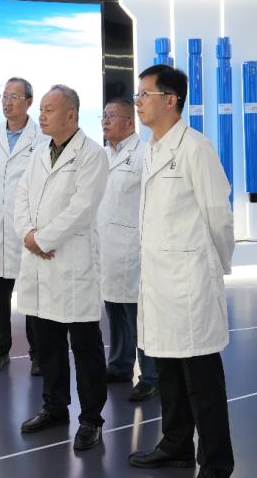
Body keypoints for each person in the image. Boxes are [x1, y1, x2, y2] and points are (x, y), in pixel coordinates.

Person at [129, 64, 235, 478]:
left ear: (170, 100)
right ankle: (175, 445)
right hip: (160, 281)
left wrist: (211, 266)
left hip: (190, 281)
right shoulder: (152, 148)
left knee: (201, 379)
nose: (138, 102)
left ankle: (216, 461)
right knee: (169, 370)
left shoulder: (195, 148)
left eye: (145, 95)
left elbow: (218, 216)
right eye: (138, 95)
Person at [14, 85, 108, 452]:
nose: (41, 115)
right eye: (41, 109)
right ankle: (54, 407)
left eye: (49, 109)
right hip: (40, 262)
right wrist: (28, 235)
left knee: (85, 347)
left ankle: (91, 419)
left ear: (71, 115)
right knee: (48, 343)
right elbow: (21, 197)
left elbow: (82, 208)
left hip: (71, 262)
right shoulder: (40, 153)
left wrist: (43, 239)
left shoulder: (92, 155)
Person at [97, 97, 159, 402]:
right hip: (108, 248)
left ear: (130, 122)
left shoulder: (145, 153)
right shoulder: (103, 156)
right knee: (115, 310)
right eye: (104, 116)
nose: (106, 121)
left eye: (112, 116)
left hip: (134, 247)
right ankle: (120, 365)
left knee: (139, 316)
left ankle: (151, 376)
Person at [0, 77, 41, 374]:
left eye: (14, 97)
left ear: (29, 102)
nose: (8, 102)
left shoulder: (41, 137)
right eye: (4, 96)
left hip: (27, 225)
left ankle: (38, 354)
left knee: (32, 296)